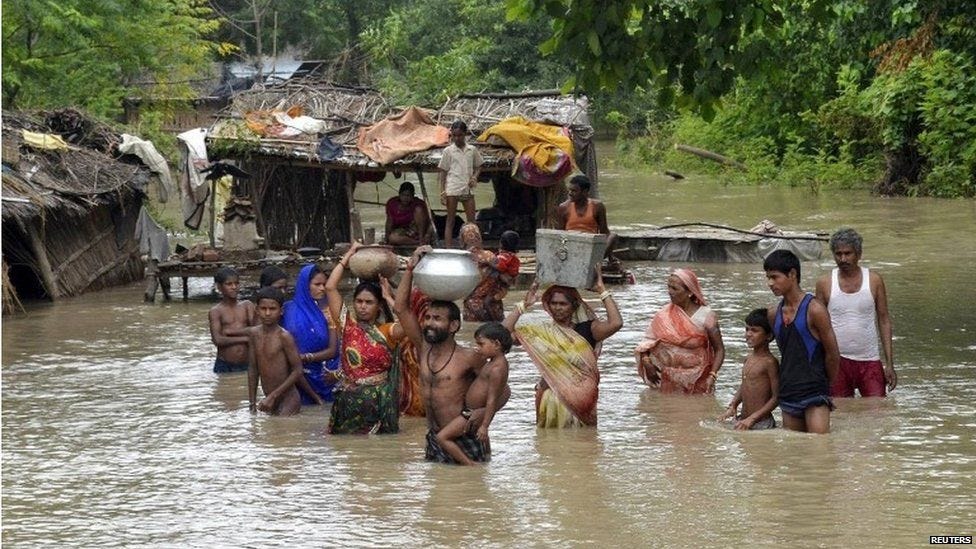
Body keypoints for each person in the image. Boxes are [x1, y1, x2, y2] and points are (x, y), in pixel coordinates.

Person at [395, 246, 509, 463]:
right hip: (436, 438)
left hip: (465, 437)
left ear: (454, 325)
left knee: (472, 489)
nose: (429, 323)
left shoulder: (469, 357)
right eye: (427, 317)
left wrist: (483, 413)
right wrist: (410, 269)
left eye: (437, 319)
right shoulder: (423, 348)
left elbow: (504, 391)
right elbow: (401, 309)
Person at [502, 267, 623, 427]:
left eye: (563, 304)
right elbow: (501, 335)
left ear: (574, 306)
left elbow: (616, 323)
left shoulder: (588, 330)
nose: (557, 307)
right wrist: (523, 305)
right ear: (548, 305)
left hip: (582, 399)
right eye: (553, 303)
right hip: (549, 396)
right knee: (549, 445)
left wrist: (602, 290)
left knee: (582, 446)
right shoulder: (540, 331)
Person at [325, 242, 405, 434]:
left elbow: (409, 324)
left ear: (378, 306)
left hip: (378, 404)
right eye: (359, 301)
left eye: (369, 302)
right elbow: (330, 287)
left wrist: (389, 297)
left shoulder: (387, 332)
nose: (362, 306)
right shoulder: (347, 326)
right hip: (347, 402)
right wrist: (349, 256)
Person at [764, 249, 840, 434]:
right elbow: (785, 352)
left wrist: (825, 384)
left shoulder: (815, 309)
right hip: (789, 392)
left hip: (815, 393)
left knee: (819, 450)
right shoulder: (774, 314)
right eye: (768, 278)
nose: (770, 283)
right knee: (796, 454)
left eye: (775, 277)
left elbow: (833, 354)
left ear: (792, 274)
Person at [815, 228, 896, 398]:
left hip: (870, 359)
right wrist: (818, 364)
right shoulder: (824, 283)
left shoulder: (874, 281)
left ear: (859, 254)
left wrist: (889, 364)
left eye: (847, 253)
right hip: (837, 361)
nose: (842, 259)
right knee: (840, 413)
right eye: (838, 254)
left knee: (878, 412)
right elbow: (817, 326)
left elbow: (884, 321)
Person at [634, 268, 726, 394]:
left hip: (698, 380)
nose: (669, 292)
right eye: (668, 287)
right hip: (665, 380)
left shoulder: (706, 316)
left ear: (690, 292)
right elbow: (647, 343)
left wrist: (712, 375)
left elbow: (719, 349)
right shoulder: (663, 315)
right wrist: (647, 363)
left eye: (675, 289)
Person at [434, 322, 512, 466]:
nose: (478, 348)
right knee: (482, 443)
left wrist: (485, 426)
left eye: (481, 344)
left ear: (496, 344)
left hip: (470, 414)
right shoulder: (494, 362)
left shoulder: (497, 369)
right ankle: (487, 460)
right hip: (472, 411)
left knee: (442, 437)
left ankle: (470, 465)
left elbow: (492, 399)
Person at [282, 264, 339, 405]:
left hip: (325, 376)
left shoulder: (329, 311)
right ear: (304, 285)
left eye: (324, 284)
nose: (322, 288)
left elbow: (333, 350)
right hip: (297, 376)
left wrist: (305, 357)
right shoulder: (287, 309)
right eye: (317, 284)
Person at [247, 287, 304, 416]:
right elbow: (252, 369)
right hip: (269, 400)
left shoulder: (284, 337)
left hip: (288, 399)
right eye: (263, 309)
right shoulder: (253, 334)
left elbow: (298, 370)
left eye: (272, 309)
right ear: (257, 310)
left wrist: (273, 396)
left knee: (282, 431)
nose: (267, 313)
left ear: (281, 311)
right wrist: (252, 404)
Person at [720, 308, 779, 430]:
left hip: (761, 423)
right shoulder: (748, 359)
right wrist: (733, 405)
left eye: (754, 330)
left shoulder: (770, 362)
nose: (748, 334)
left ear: (769, 336)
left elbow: (777, 397)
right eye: (747, 329)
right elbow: (745, 385)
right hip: (744, 420)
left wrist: (753, 418)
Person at [555, 174, 619, 266]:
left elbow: (604, 232)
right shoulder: (564, 207)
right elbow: (559, 233)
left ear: (585, 192)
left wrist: (610, 256)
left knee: (613, 236)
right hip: (571, 246)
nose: (570, 193)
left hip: (591, 247)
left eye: (574, 191)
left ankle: (597, 261)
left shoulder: (597, 206)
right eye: (569, 190)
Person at [461, 225, 522, 322]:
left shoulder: (461, 259)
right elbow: (508, 278)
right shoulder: (488, 256)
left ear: (463, 240)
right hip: (492, 303)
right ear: (479, 237)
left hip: (470, 305)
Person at [438, 120, 482, 248]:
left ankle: (474, 248)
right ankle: (448, 249)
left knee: (472, 222)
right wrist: (442, 191)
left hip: (468, 189)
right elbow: (443, 172)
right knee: (450, 221)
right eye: (454, 135)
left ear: (465, 134)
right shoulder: (448, 151)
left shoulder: (472, 150)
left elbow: (479, 166)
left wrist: (475, 177)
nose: (457, 138)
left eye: (460, 135)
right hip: (452, 189)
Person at [208, 267, 255, 373]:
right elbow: (217, 340)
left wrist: (229, 333)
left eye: (236, 283)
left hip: (247, 363)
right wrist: (246, 339)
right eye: (229, 284)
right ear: (219, 287)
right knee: (225, 387)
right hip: (224, 364)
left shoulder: (247, 306)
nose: (234, 287)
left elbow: (256, 331)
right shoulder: (216, 311)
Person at [384, 182, 433, 246]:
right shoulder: (392, 203)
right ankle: (417, 242)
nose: (405, 198)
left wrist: (428, 234)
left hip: (416, 229)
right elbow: (389, 222)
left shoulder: (418, 203)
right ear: (399, 194)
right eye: (403, 195)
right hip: (401, 230)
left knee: (419, 209)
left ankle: (421, 239)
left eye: (408, 195)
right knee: (393, 238)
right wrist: (387, 238)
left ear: (412, 196)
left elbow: (431, 219)